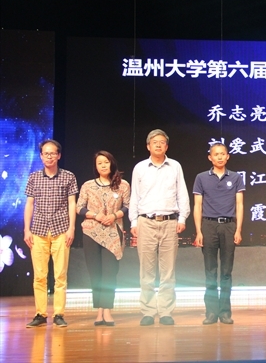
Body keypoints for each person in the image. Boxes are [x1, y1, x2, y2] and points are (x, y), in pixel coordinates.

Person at [129, 129, 190, 326]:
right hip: (146, 222)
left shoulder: (175, 166)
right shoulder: (140, 168)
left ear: (167, 146)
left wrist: (182, 218)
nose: (158, 144)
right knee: (146, 270)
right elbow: (135, 196)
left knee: (168, 271)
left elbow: (182, 193)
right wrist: (134, 221)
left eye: (162, 142)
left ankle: (165, 311)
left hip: (170, 222)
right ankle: (148, 310)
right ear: (148, 146)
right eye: (154, 142)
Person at [24, 139, 78, 328]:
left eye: (53, 153)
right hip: (38, 230)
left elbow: (72, 203)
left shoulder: (68, 176)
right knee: (39, 276)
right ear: (41, 156)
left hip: (61, 230)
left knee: (60, 275)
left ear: (59, 155)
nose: (49, 156)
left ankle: (59, 314)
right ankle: (40, 313)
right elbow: (29, 204)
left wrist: (71, 228)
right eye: (46, 153)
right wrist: (26, 229)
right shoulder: (34, 177)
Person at [76, 151, 130, 326]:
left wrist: (114, 216)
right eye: (100, 163)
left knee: (110, 273)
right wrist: (95, 215)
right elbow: (79, 208)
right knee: (95, 272)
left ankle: (107, 310)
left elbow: (128, 206)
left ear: (111, 163)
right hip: (91, 233)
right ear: (96, 166)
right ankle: (99, 310)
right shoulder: (88, 185)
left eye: (106, 162)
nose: (103, 165)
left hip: (113, 234)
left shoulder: (123, 185)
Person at [192, 143, 244, 325]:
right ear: (210, 157)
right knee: (210, 271)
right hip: (209, 225)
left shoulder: (236, 177)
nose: (220, 157)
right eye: (216, 154)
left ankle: (225, 312)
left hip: (229, 226)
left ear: (228, 156)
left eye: (223, 154)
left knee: (227, 272)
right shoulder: (201, 178)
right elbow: (197, 206)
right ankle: (211, 313)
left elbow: (240, 205)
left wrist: (238, 229)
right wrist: (198, 231)